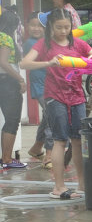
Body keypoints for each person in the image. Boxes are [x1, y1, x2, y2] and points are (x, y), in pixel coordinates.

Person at [20, 8, 92, 199]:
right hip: (54, 96)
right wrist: (48, 63)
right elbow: (24, 63)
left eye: (67, 27)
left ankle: (82, 185)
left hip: (77, 96)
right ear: (51, 26)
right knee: (60, 140)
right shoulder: (44, 44)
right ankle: (59, 187)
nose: (64, 31)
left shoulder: (79, 43)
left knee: (78, 140)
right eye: (59, 27)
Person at [0, 9, 28, 170]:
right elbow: (3, 62)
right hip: (7, 83)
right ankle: (7, 159)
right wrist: (20, 79)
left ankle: (6, 158)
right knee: (12, 121)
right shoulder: (6, 38)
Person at [22, 13, 50, 168]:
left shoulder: (45, 41)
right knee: (53, 118)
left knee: (47, 117)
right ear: (27, 26)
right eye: (33, 25)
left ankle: (36, 148)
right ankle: (49, 155)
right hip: (41, 86)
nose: (36, 28)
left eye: (40, 26)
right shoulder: (31, 43)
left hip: (49, 85)